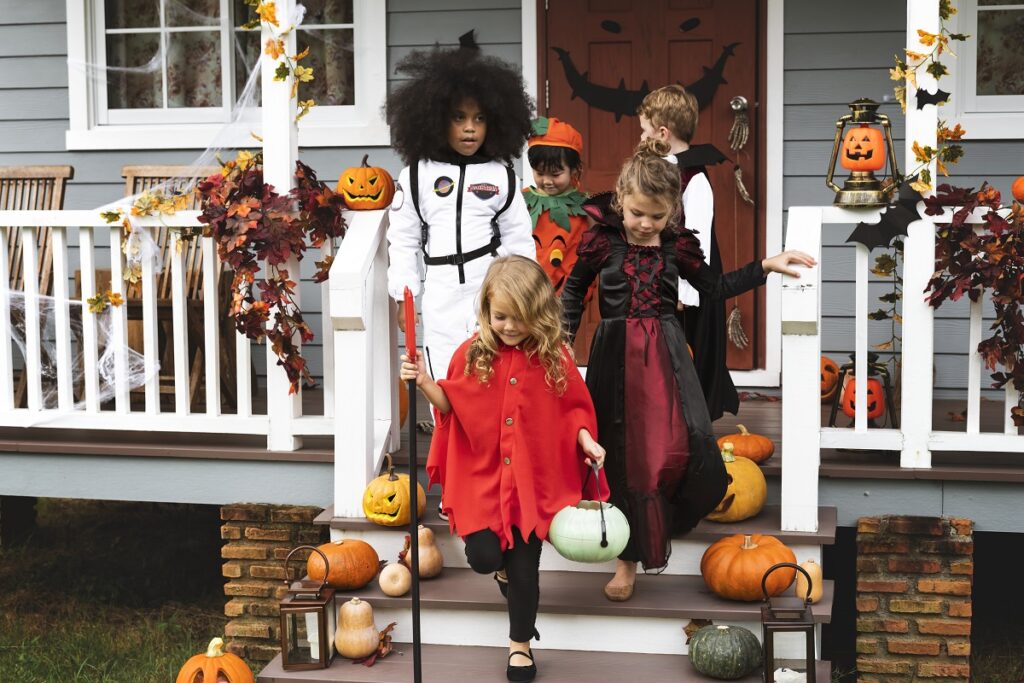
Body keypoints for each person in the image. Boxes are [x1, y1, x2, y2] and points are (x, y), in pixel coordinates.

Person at [561, 139, 815, 600]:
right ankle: (626, 561)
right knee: (620, 456)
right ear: (621, 201)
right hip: (613, 359)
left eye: (657, 217)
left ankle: (661, 525)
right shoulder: (602, 241)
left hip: (664, 360)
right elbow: (574, 292)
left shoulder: (677, 247)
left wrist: (765, 266)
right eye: (638, 213)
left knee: (666, 451)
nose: (646, 224)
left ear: (671, 213)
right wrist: (560, 343)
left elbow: (714, 287)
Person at [401, 256, 607, 683]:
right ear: (487, 310)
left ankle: (520, 647)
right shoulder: (471, 354)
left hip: (531, 484)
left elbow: (573, 413)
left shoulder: (554, 359)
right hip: (482, 478)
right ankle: (502, 576)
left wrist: (587, 441)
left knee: (524, 569)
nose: (510, 327)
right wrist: (423, 380)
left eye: (521, 318)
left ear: (539, 315)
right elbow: (451, 405)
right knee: (483, 557)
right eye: (501, 317)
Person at [386, 37, 536, 387]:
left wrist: (524, 294)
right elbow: (404, 239)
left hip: (490, 290)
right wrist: (403, 297)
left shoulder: (502, 176)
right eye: (459, 117)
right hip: (439, 288)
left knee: (490, 375)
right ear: (437, 118)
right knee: (443, 372)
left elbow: (519, 240)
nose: (470, 128)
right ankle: (447, 438)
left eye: (480, 118)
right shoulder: (417, 175)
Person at [638, 84, 737, 421]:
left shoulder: (694, 179)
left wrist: (685, 291)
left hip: (688, 284)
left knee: (688, 357)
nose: (640, 136)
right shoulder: (655, 170)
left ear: (662, 132)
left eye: (644, 129)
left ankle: (693, 426)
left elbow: (697, 239)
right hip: (659, 275)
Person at [523, 117, 589, 296]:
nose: (547, 181)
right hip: (524, 293)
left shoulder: (587, 210)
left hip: (565, 299)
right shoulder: (520, 202)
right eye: (539, 173)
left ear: (574, 170)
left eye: (555, 174)